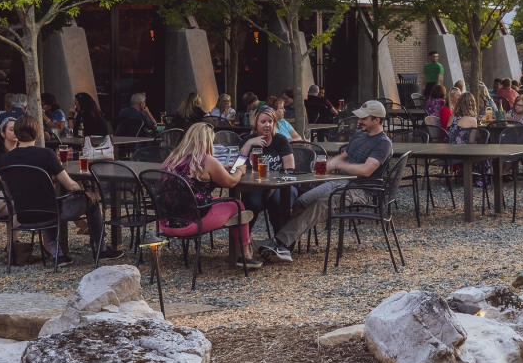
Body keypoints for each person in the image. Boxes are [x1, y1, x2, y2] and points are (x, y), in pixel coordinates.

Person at [272, 100, 392, 259]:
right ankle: (285, 244)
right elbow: (345, 155)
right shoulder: (360, 134)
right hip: (341, 181)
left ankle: (281, 244)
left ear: (377, 120)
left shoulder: (383, 143)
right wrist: (328, 165)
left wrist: (339, 165)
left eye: (364, 118)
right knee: (302, 201)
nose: (359, 121)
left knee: (321, 203)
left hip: (363, 189)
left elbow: (366, 170)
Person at [1, 116, 114, 265]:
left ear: (16, 133)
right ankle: (101, 248)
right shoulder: (46, 154)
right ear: (37, 133)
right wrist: (84, 191)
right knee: (90, 200)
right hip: (50, 212)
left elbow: (8, 187)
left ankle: (57, 254)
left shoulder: (6, 159)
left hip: (23, 214)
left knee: (45, 202)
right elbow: (70, 186)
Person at [160, 123, 259, 267]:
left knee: (216, 202)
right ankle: (245, 255)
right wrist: (239, 171)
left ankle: (243, 253)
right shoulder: (207, 160)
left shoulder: (171, 158)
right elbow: (231, 182)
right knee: (237, 205)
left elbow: (190, 173)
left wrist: (221, 168)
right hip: (192, 223)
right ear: (206, 141)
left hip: (166, 222)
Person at [239, 106, 299, 238]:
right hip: (255, 186)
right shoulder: (248, 140)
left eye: (270, 121)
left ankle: (281, 242)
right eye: (263, 122)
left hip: (281, 185)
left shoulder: (280, 140)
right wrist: (249, 143)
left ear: (274, 123)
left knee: (278, 202)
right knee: (252, 203)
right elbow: (236, 167)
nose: (267, 125)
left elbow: (290, 168)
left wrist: (273, 186)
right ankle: (244, 243)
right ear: (255, 123)